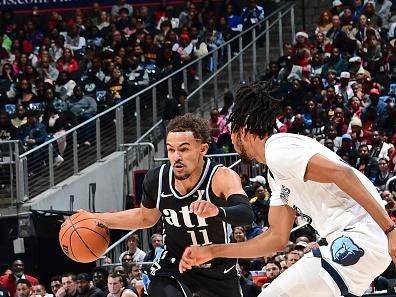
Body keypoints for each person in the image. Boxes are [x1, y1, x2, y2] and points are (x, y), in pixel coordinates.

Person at [179, 81, 395, 297]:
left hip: (359, 236)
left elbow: (343, 174)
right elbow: (276, 238)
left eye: (231, 132)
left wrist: (390, 230)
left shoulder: (278, 149)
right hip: (357, 245)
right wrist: (212, 251)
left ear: (242, 130)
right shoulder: (275, 173)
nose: (231, 142)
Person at [80, 113, 254, 297]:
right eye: (171, 150)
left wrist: (217, 210)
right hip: (174, 263)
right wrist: (97, 218)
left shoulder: (221, 177)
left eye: (184, 149)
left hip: (217, 267)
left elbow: (246, 213)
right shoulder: (157, 179)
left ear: (203, 149)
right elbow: (145, 217)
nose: (176, 157)